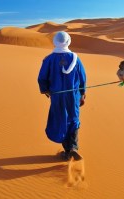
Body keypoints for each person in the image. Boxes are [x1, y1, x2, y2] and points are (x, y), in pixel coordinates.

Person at [38, 31, 86, 160]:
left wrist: (45, 90)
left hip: (57, 96)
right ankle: (73, 148)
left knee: (61, 119)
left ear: (55, 42)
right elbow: (82, 77)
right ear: (68, 41)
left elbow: (42, 78)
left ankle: (68, 150)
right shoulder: (76, 59)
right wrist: (82, 94)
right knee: (74, 119)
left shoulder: (48, 59)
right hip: (73, 96)